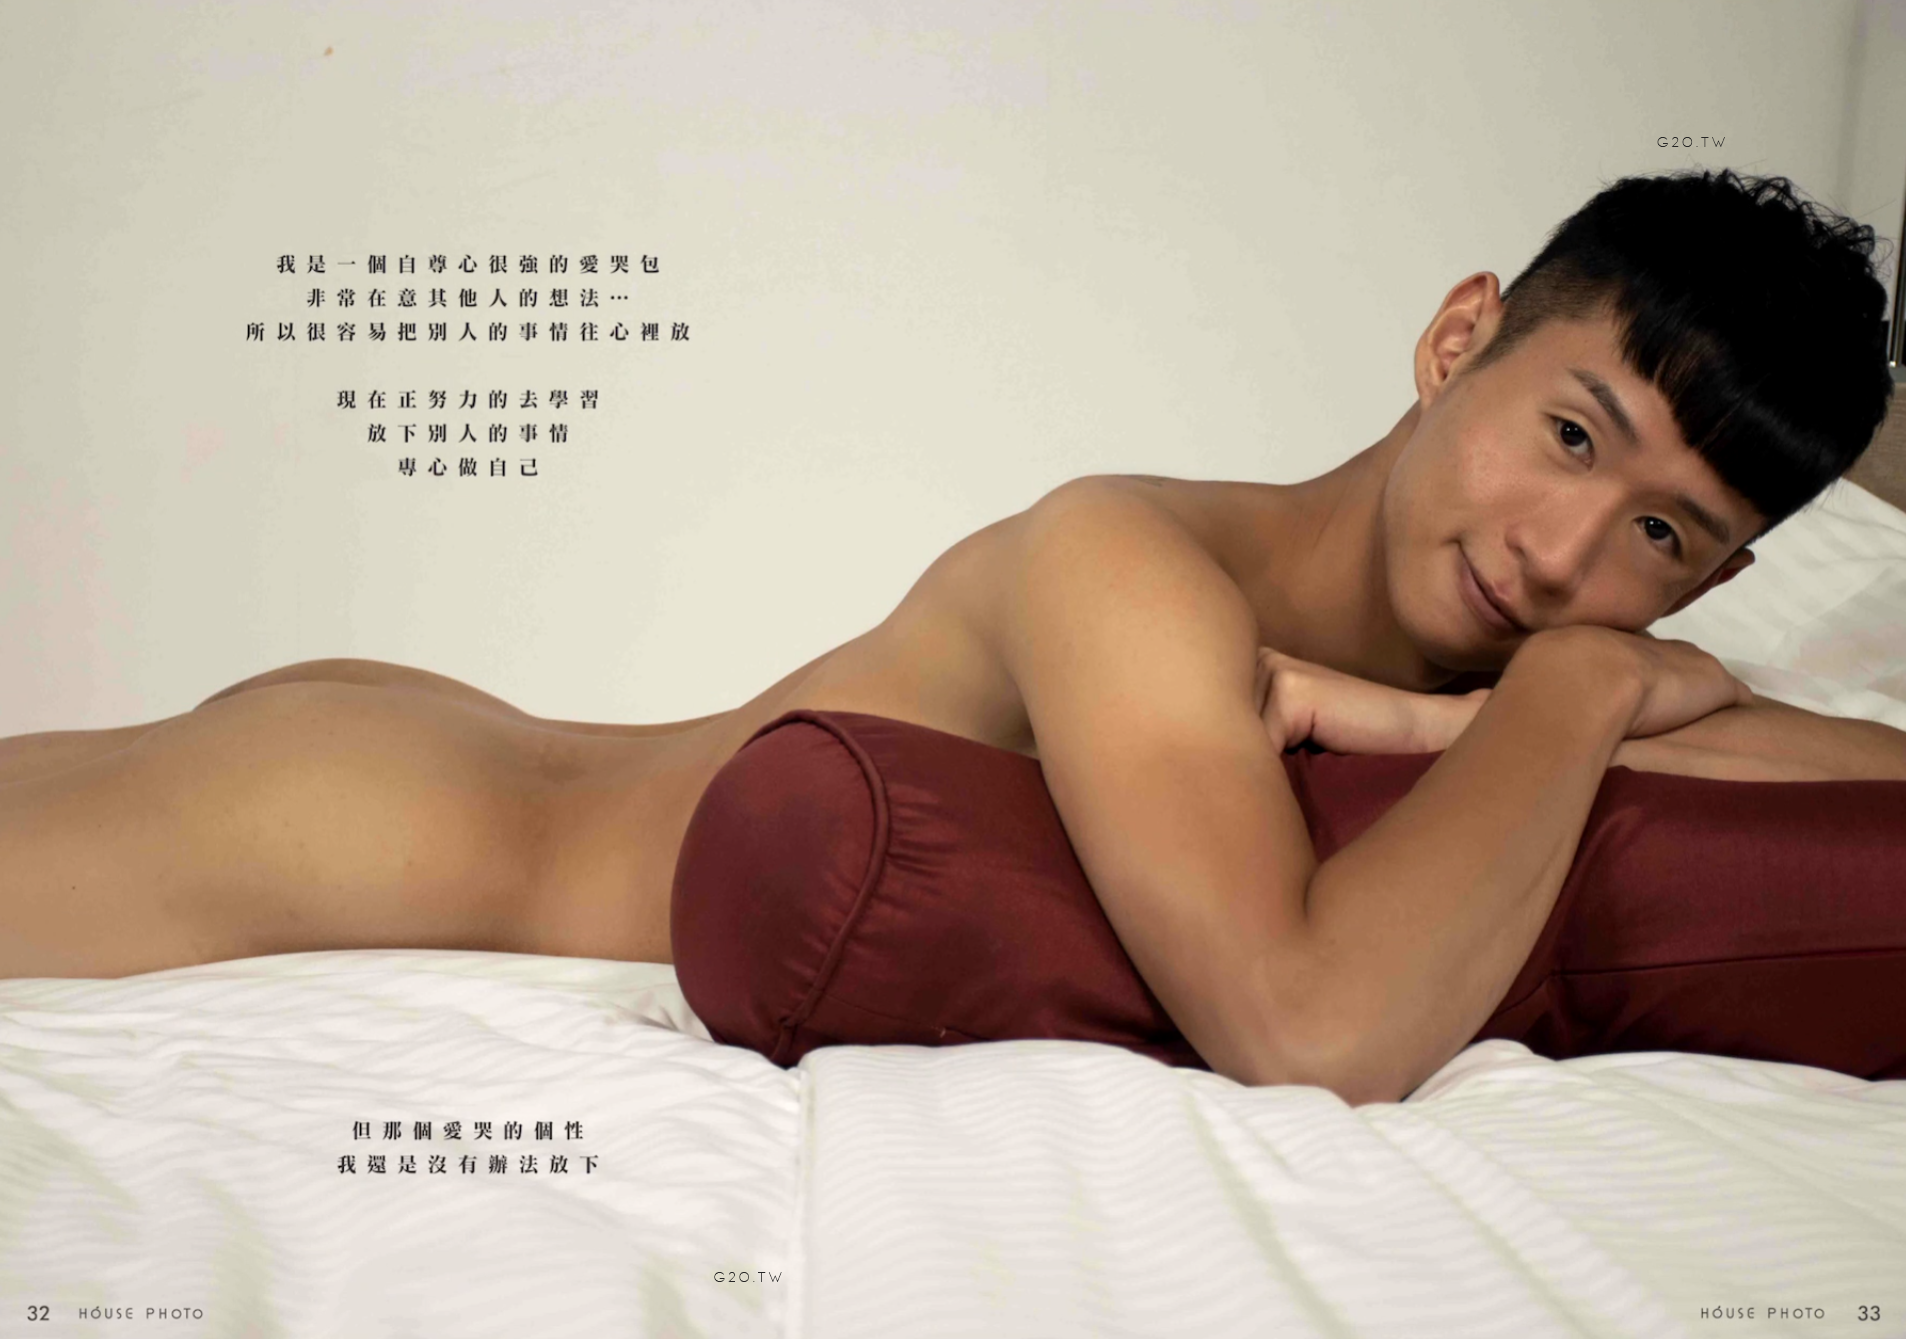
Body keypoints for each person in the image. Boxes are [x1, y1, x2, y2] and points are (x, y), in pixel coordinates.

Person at [2, 170, 1900, 1102]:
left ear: (1712, 586)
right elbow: (1305, 1021)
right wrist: (1582, 684)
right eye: (1569, 434)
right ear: (1457, 336)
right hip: (398, 828)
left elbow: (1866, 779)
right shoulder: (1132, 559)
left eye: (1661, 535)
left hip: (478, 765)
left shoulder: (1524, 677)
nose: (1563, 555)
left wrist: (1514, 706)